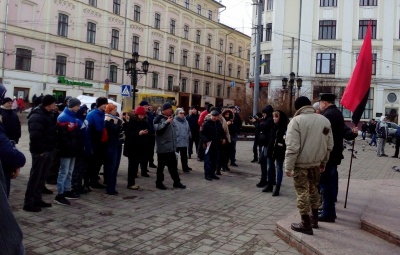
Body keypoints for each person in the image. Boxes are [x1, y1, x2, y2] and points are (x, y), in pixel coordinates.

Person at [285, 96, 333, 235]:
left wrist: (288, 166)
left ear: (298, 108)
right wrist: (323, 162)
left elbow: (292, 147)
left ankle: (305, 223)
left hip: (300, 164)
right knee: (314, 190)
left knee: (302, 192)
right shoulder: (324, 120)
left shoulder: (296, 121)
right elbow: (329, 145)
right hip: (316, 164)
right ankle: (314, 219)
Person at [318, 93, 358, 223]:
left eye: (320, 103)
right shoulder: (337, 113)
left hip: (328, 155)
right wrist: (352, 134)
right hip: (334, 155)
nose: (319, 105)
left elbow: (322, 137)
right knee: (329, 183)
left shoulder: (328, 115)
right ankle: (328, 210)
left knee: (325, 185)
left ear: (324, 103)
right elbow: (344, 132)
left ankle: (328, 212)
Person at [23, 95, 57, 212]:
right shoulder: (37, 115)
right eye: (53, 103)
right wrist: (41, 150)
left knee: (42, 177)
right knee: (35, 177)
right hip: (40, 152)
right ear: (48, 104)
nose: (55, 105)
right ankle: (29, 202)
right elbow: (35, 136)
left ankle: (38, 199)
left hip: (48, 150)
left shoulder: (48, 114)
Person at [54, 98, 81, 205]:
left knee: (70, 171)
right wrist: (69, 146)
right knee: (64, 172)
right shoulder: (63, 117)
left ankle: (67, 190)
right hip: (66, 149)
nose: (79, 108)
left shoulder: (73, 117)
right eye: (77, 106)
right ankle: (60, 194)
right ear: (72, 106)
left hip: (72, 149)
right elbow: (62, 136)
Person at [153, 103, 186, 190]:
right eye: (168, 109)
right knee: (161, 167)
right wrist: (167, 123)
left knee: (173, 167)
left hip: (171, 148)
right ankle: (159, 183)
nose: (170, 110)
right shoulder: (158, 119)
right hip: (163, 148)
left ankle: (177, 182)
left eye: (171, 109)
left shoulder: (171, 118)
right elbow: (158, 130)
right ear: (163, 110)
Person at [123, 106, 151, 190]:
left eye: (143, 115)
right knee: (132, 165)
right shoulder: (131, 121)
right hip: (132, 147)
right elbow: (128, 133)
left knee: (135, 165)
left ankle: (132, 181)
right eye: (140, 115)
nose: (142, 117)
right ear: (137, 114)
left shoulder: (144, 121)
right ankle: (130, 183)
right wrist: (138, 133)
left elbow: (149, 129)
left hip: (140, 147)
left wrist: (146, 132)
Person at [85, 97, 108, 189]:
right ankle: (91, 181)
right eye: (103, 104)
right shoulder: (91, 115)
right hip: (94, 141)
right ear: (99, 104)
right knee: (93, 163)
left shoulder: (104, 114)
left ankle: (94, 179)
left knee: (99, 162)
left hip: (101, 141)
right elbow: (87, 129)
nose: (105, 106)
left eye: (106, 104)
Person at [267, 110, 288, 196]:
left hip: (280, 150)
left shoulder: (284, 128)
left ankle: (277, 187)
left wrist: (282, 146)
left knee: (279, 168)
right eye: (273, 117)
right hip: (271, 149)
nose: (274, 119)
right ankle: (270, 184)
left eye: (276, 117)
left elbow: (286, 140)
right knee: (269, 167)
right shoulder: (273, 126)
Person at [104, 104, 123, 195]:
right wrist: (120, 121)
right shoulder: (107, 119)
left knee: (114, 166)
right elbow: (114, 129)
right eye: (114, 110)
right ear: (109, 110)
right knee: (111, 166)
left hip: (117, 144)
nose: (116, 111)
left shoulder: (114, 119)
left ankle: (111, 186)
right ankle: (110, 188)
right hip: (111, 145)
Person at [201, 110, 227, 181]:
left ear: (218, 117)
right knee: (207, 160)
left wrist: (224, 138)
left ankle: (213, 173)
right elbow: (202, 134)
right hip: (208, 145)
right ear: (211, 116)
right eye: (213, 116)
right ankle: (207, 174)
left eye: (216, 116)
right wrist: (206, 141)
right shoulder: (206, 123)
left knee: (215, 160)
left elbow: (222, 132)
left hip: (216, 144)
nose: (214, 117)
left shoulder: (218, 123)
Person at [257, 105, 275, 190]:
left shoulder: (270, 120)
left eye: (264, 113)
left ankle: (265, 180)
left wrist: (257, 122)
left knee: (265, 162)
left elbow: (262, 127)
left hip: (268, 144)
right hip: (266, 143)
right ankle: (271, 180)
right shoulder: (267, 119)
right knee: (266, 162)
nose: (263, 114)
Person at [139, 100, 157, 169]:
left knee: (150, 151)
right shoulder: (141, 114)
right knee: (144, 153)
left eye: (147, 106)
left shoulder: (149, 114)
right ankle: (143, 167)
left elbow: (152, 124)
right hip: (145, 135)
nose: (146, 107)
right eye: (145, 106)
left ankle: (150, 163)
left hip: (151, 135)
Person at [174, 108, 192, 173]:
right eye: (180, 113)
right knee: (175, 156)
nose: (182, 114)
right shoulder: (174, 121)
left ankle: (185, 167)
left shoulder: (186, 121)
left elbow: (188, 129)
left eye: (183, 113)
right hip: (177, 141)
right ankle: (174, 168)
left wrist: (189, 135)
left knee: (184, 156)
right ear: (177, 114)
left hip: (184, 141)